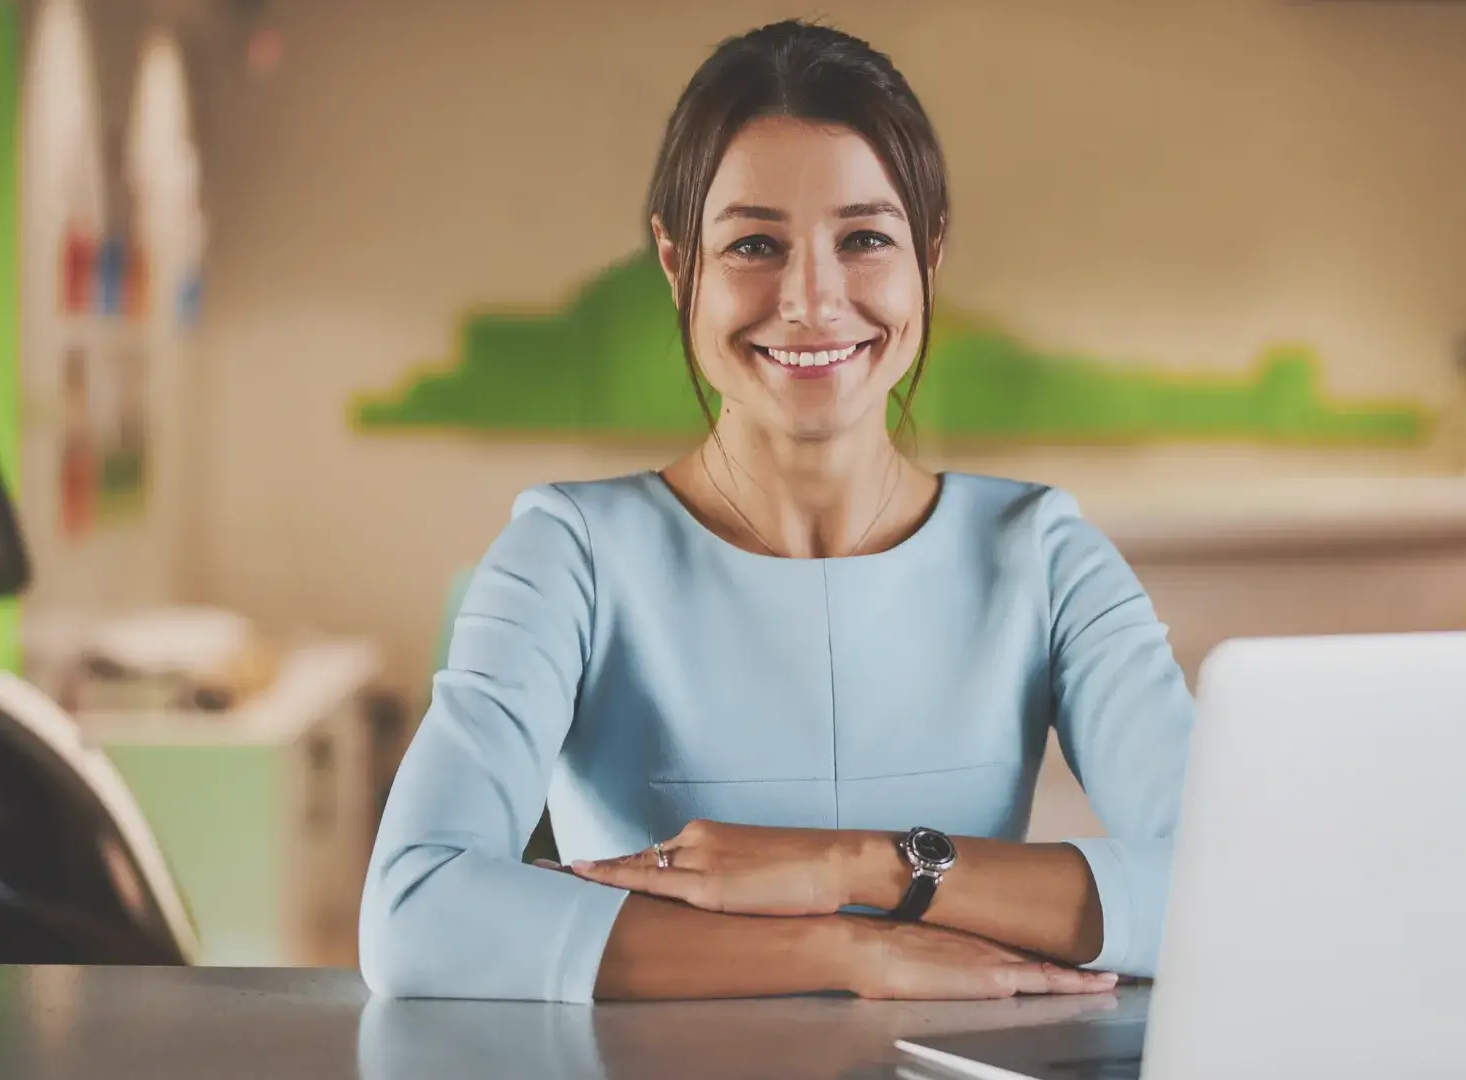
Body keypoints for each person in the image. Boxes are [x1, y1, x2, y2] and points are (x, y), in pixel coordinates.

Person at [358, 19, 1194, 1004]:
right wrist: (846, 952)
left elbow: (1231, 884)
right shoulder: (567, 555)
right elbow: (417, 910)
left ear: (930, 251)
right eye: (755, 244)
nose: (811, 299)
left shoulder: (1047, 557)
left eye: (865, 240)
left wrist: (855, 869)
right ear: (678, 265)